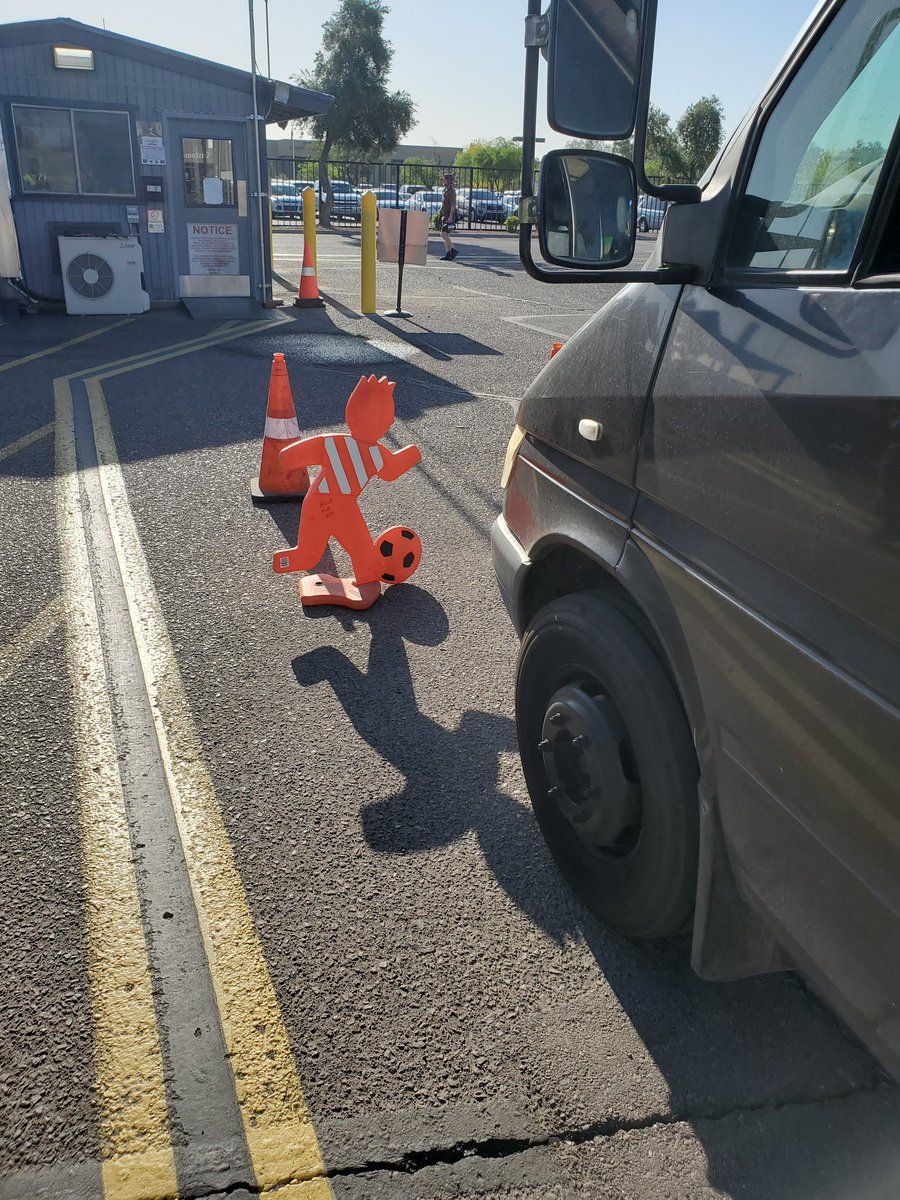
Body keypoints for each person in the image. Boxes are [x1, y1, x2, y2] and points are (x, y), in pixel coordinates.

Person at [439, 172, 458, 261]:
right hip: (444, 214)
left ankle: (453, 250)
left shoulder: (452, 192)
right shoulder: (445, 190)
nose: (443, 181)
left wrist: (450, 216)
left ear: (448, 181)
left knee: (443, 234)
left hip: (449, 215)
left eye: (445, 180)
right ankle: (448, 253)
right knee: (446, 234)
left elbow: (453, 205)